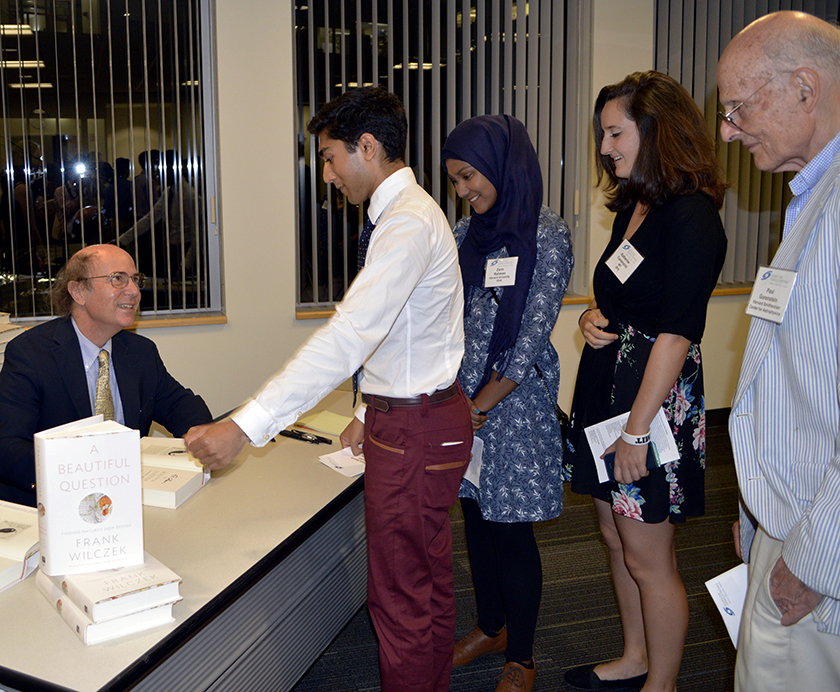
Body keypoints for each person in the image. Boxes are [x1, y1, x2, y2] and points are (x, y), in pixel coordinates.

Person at [184, 86, 472, 692]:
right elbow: (398, 334)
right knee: (425, 579)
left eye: (331, 156)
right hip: (420, 418)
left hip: (417, 429)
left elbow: (350, 336)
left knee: (399, 597)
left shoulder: (407, 224)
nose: (326, 174)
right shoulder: (408, 214)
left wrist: (245, 424)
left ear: (367, 148)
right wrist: (367, 408)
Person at [563, 72, 727, 692]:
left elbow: (677, 335)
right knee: (614, 536)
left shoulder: (693, 217)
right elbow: (621, 294)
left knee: (649, 556)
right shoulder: (635, 204)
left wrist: (636, 433)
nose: (605, 147)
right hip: (607, 392)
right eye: (603, 134)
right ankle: (635, 657)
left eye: (615, 133)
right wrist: (591, 319)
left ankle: (663, 684)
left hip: (648, 410)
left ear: (656, 132)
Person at [718, 11, 840, 691]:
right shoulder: (810, 195)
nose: (728, 130)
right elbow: (802, 379)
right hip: (788, 521)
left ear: (803, 85)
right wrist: (758, 515)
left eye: (738, 108)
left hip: (821, 553)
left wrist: (815, 559)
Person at [440, 115, 573, 692]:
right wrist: (456, 400)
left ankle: (521, 653)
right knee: (474, 519)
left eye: (470, 175)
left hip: (513, 408)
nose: (465, 191)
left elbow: (532, 334)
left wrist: (482, 406)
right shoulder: (467, 234)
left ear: (500, 164)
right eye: (455, 181)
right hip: (464, 398)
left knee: (513, 531)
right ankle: (490, 626)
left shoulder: (547, 234)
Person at [0, 243, 213, 507]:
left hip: (129, 503)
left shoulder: (140, 351)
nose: (134, 291)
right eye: (117, 279)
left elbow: (180, 405)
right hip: (55, 506)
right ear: (78, 291)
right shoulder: (31, 354)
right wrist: (86, 474)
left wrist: (203, 436)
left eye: (135, 280)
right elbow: (8, 447)